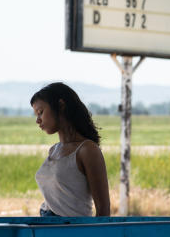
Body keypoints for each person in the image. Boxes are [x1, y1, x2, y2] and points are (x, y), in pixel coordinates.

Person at [31, 82, 111, 217]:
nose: (38, 120)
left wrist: (96, 236)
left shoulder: (87, 150)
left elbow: (103, 208)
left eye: (40, 112)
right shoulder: (54, 150)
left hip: (74, 231)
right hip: (47, 226)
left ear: (61, 106)